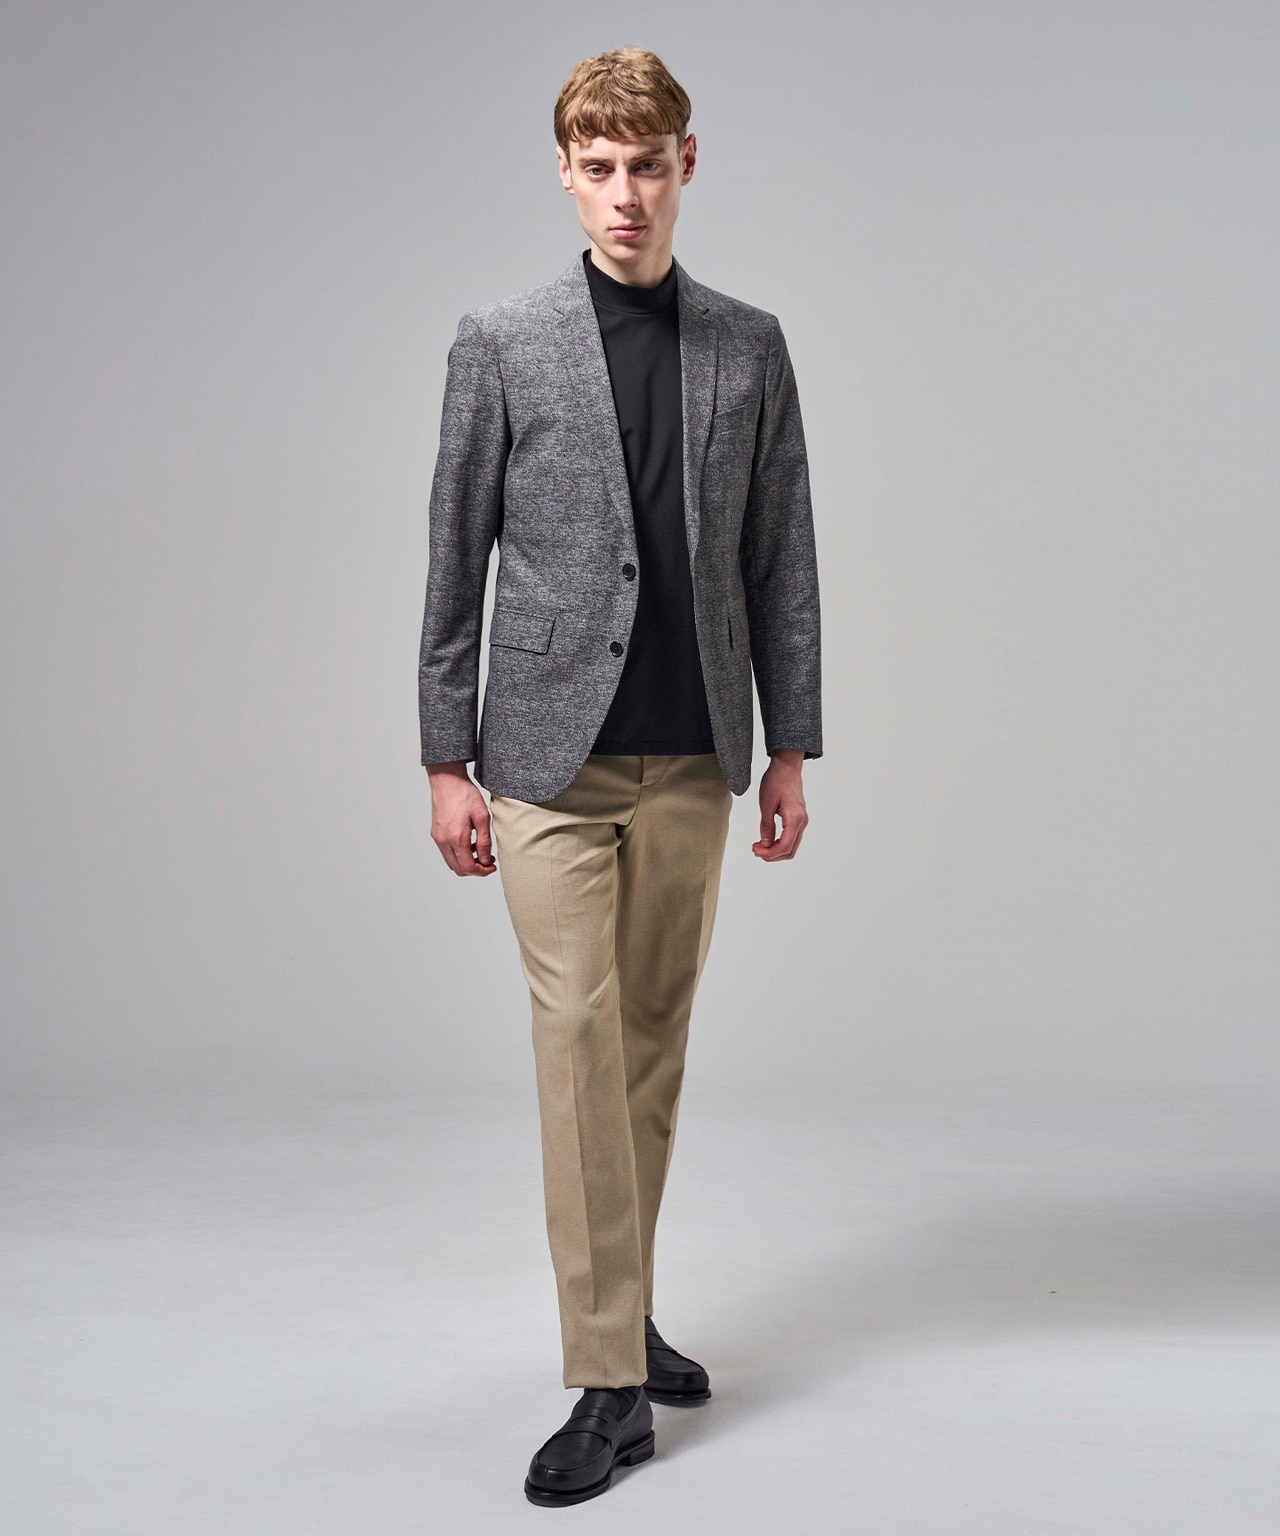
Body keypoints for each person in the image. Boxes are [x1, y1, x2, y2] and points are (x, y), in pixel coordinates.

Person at [417, 46, 822, 1506]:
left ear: (686, 165)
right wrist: (445, 756)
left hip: (695, 754)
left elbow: (782, 557)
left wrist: (790, 747)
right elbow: (454, 556)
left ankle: (623, 1311)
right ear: (567, 174)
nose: (625, 193)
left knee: (650, 1045)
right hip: (545, 760)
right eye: (598, 168)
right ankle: (607, 1385)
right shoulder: (503, 340)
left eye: (647, 164)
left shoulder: (748, 347)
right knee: (579, 1036)